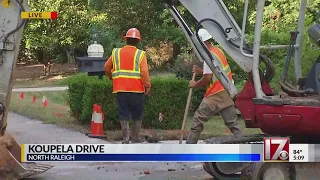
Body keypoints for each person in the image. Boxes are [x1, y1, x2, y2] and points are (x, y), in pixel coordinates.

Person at [186, 28, 243, 144]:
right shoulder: (218, 51)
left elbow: (207, 78)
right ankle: (244, 146)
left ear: (201, 43)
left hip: (215, 94)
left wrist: (194, 84)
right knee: (232, 124)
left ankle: (189, 148)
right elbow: (216, 72)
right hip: (227, 91)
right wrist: (201, 71)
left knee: (198, 119)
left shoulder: (208, 56)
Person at [104, 28, 151, 144]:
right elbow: (144, 72)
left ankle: (125, 138)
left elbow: (106, 67)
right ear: (138, 41)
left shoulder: (116, 52)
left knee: (123, 113)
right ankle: (135, 137)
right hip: (137, 90)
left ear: (126, 40)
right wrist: (147, 86)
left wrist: (112, 78)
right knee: (137, 114)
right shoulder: (141, 54)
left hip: (121, 89)